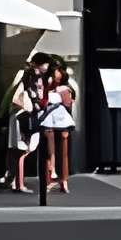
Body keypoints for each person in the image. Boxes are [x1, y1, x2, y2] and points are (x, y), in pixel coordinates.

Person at [38, 57, 77, 194]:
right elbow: (43, 103)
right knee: (49, 152)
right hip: (48, 121)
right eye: (54, 71)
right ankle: (50, 178)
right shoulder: (47, 86)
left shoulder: (65, 89)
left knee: (63, 153)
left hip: (62, 122)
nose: (56, 74)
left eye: (58, 71)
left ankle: (63, 179)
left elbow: (68, 106)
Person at [5, 60, 42, 192]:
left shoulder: (28, 86)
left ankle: (16, 182)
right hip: (22, 119)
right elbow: (15, 99)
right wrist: (27, 107)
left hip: (22, 118)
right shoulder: (24, 86)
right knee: (22, 150)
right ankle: (18, 183)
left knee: (21, 151)